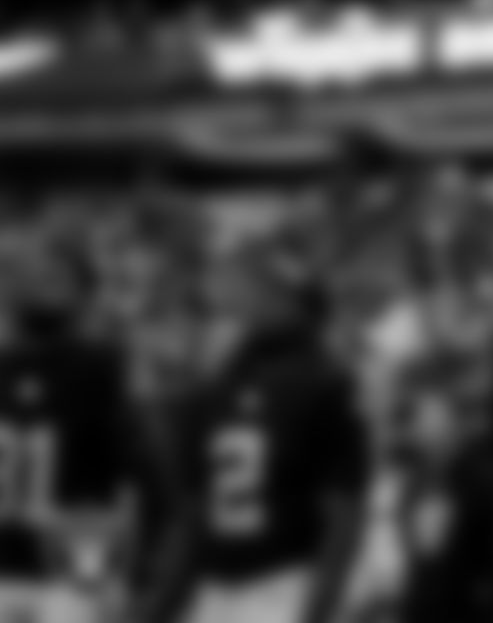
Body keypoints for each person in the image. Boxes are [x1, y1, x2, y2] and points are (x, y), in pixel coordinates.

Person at [151, 253, 368, 623]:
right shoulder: (211, 392)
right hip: (215, 589)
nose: (248, 300)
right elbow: (189, 519)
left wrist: (319, 608)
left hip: (284, 584)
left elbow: (343, 517)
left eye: (268, 291)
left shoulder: (324, 384)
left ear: (294, 304)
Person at [0, 245, 143, 623]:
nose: (39, 288)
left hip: (75, 566)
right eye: (31, 278)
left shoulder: (102, 368)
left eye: (54, 279)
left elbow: (139, 484)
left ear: (85, 293)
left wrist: (119, 571)